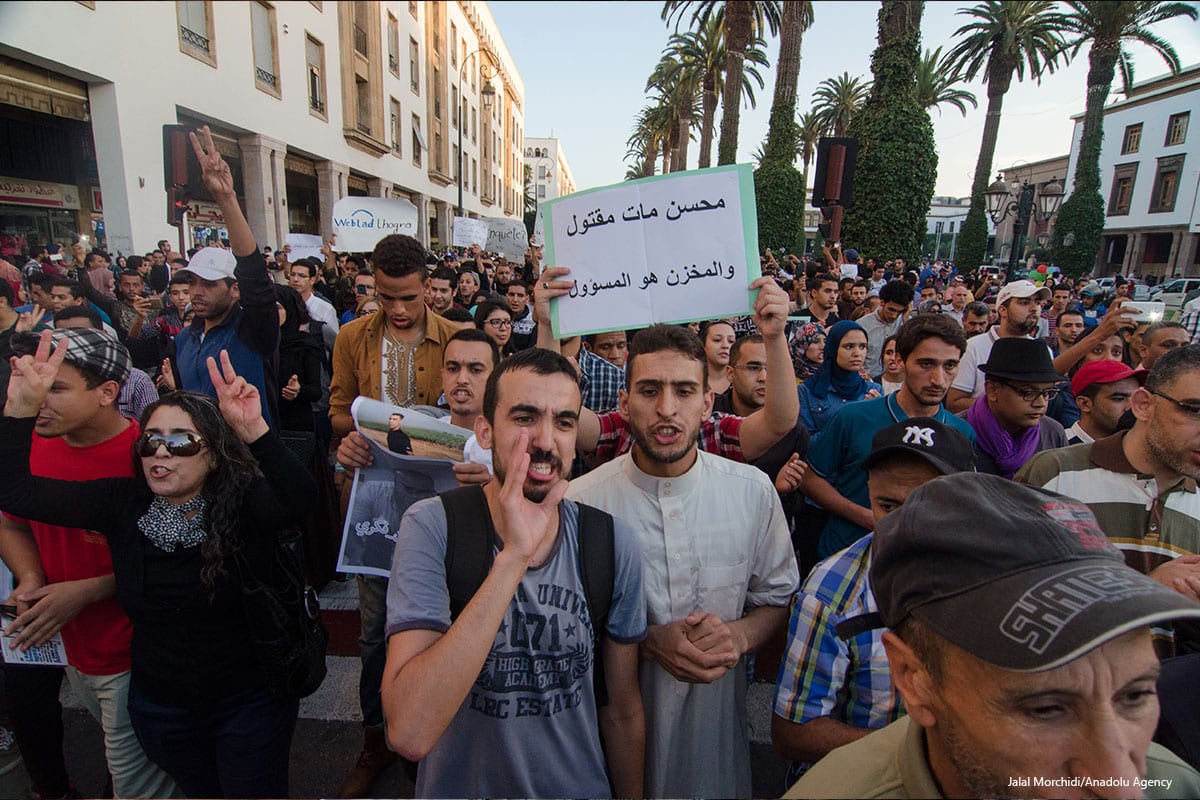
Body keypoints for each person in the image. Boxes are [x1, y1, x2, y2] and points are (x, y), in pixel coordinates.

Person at [0, 338, 316, 798]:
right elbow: (15, 493)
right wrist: (20, 412)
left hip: (248, 702)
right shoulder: (121, 502)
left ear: (211, 454)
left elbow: (299, 501)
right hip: (162, 708)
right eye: (151, 441)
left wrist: (256, 431)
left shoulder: (242, 500)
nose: (162, 453)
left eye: (182, 441)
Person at [784, 473, 1200, 800]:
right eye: (1046, 709)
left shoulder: (1178, 785)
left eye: (1136, 695)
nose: (1125, 783)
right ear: (914, 678)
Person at [380, 348, 647, 798]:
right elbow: (408, 731)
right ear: (485, 432)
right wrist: (513, 558)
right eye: (525, 418)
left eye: (564, 421)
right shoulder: (432, 526)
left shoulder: (613, 542)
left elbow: (621, 711)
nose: (545, 440)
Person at [567, 324, 799, 799]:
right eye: (649, 391)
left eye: (685, 391)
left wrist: (739, 635)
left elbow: (776, 601)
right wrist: (646, 642)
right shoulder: (581, 504)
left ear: (708, 403)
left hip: (717, 759)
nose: (667, 409)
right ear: (625, 403)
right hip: (604, 760)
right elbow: (563, 630)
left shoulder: (752, 492)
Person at [0, 328, 176, 800]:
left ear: (107, 392)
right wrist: (33, 576)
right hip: (72, 649)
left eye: (55, 387)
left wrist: (85, 590)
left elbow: (177, 562)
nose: (40, 399)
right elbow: (11, 521)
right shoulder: (32, 446)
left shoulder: (151, 457)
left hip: (135, 654)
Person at [326, 231, 460, 798]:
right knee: (375, 630)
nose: (401, 310)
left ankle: (443, 736)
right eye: (387, 297)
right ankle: (376, 740)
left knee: (446, 617)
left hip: (445, 501)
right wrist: (349, 442)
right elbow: (337, 412)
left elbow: (484, 415)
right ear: (373, 286)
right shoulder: (353, 337)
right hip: (374, 504)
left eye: (411, 297)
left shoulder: (458, 338)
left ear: (428, 287)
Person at [773, 419, 975, 785]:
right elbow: (794, 731)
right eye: (887, 505)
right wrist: (924, 755)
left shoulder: (996, 582)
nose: (904, 526)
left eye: (927, 505)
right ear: (869, 491)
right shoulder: (830, 594)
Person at [1017, 345, 1200, 643]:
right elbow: (1008, 597)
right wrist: (1146, 590)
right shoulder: (1055, 475)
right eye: (1195, 410)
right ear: (1143, 405)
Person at [799, 314, 976, 564]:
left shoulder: (962, 433)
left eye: (949, 365)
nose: (938, 379)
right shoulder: (853, 417)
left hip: (916, 564)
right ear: (900, 361)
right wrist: (865, 516)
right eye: (926, 364)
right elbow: (811, 478)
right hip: (845, 557)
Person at [173, 127, 280, 427]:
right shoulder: (184, 339)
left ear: (235, 290)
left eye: (209, 284)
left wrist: (226, 199)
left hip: (249, 457)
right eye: (192, 282)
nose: (196, 292)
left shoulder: (253, 332)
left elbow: (256, 280)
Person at [968, 337, 1068, 478]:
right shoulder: (958, 433)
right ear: (992, 390)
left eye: (1046, 393)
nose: (1040, 403)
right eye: (1027, 392)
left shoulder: (1053, 433)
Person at [947, 280, 1050, 413]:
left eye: (1037, 302)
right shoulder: (973, 347)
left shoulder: (1043, 351)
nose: (1034, 308)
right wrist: (1007, 403)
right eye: (1024, 302)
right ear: (1003, 310)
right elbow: (954, 403)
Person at [53, 306, 159, 422]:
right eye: (64, 337)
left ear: (104, 334)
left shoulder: (136, 380)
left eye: (83, 335)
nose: (73, 343)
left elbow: (154, 426)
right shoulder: (46, 380)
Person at [797, 321, 883, 440]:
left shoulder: (874, 391)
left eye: (862, 346)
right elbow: (806, 442)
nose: (857, 353)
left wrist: (877, 416)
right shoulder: (808, 391)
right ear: (833, 348)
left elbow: (880, 439)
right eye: (849, 346)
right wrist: (844, 427)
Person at [272, 284, 323, 434]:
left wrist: (298, 391)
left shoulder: (304, 345)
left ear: (290, 310)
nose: (271, 314)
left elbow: (316, 392)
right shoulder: (255, 344)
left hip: (293, 427)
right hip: (261, 425)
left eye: (277, 308)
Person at [1064, 359, 1145, 445]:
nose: (1131, 407)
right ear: (1084, 404)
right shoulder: (1057, 444)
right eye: (1119, 399)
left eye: (1136, 398)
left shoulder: (1140, 447)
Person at [856, 280, 913, 377]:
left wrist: (905, 321)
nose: (894, 316)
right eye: (891, 310)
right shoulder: (862, 325)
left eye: (899, 312)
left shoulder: (906, 324)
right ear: (882, 302)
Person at [699, 320, 736, 396]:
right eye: (717, 340)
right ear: (702, 345)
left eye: (731, 341)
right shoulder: (691, 379)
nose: (725, 345)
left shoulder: (741, 380)